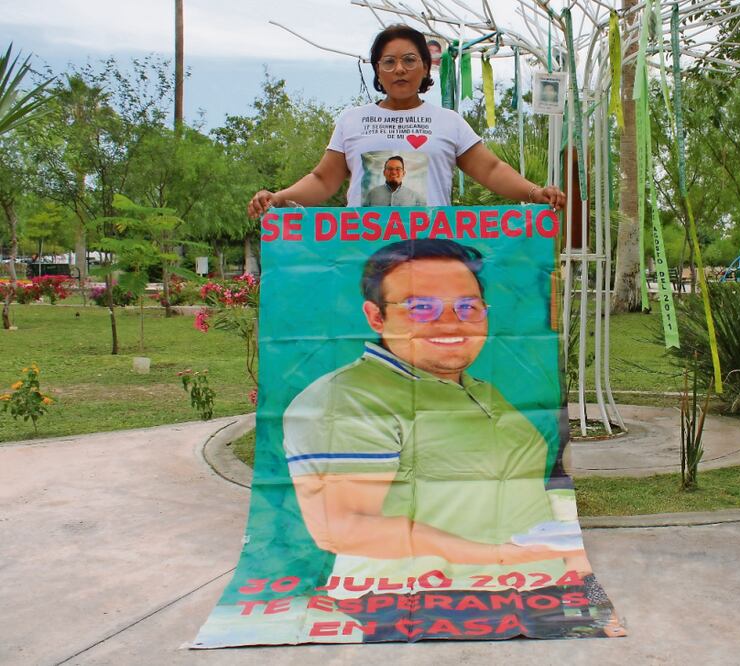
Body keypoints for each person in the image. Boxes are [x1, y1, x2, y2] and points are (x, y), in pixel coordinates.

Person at [282, 238, 623, 638]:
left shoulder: (479, 388)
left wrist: (571, 561)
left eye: (467, 306)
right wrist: (497, 557)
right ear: (375, 316)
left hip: (541, 584)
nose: (450, 321)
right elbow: (339, 527)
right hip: (422, 600)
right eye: (420, 306)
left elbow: (534, 479)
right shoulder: (346, 398)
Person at [248, 24, 565, 216]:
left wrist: (534, 192)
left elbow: (491, 169)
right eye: (389, 62)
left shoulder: (449, 122)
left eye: (410, 60)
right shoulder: (352, 121)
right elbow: (322, 180)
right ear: (377, 70)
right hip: (364, 254)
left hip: (432, 253)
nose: (399, 69)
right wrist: (279, 197)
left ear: (426, 68)